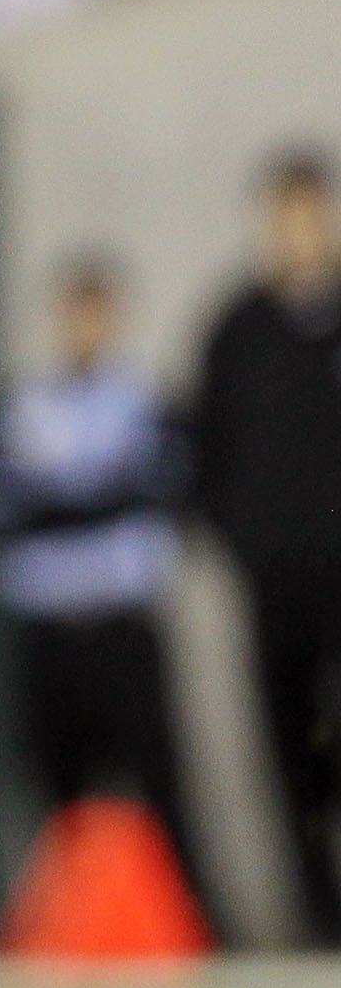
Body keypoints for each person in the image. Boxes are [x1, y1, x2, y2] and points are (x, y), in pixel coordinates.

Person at [0, 258, 190, 863]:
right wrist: (98, 493)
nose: (86, 328)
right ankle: (63, 943)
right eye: (76, 312)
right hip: (48, 634)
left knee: (160, 799)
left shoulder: (145, 400)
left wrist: (57, 496)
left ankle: (189, 942)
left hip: (123, 627)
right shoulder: (19, 405)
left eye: (99, 313)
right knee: (55, 803)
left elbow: (156, 494)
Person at [191, 152, 341, 941]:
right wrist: (245, 543)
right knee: (291, 754)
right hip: (276, 582)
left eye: (310, 215)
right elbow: (206, 452)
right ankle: (317, 917)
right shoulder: (234, 330)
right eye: (284, 217)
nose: (298, 234)